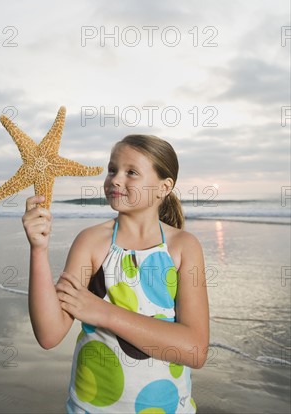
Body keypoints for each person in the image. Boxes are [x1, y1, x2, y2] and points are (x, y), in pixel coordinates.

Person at [22, 134, 209, 413]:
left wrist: (105, 313)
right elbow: (49, 335)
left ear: (163, 187)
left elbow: (194, 350)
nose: (115, 180)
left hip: (169, 407)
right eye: (112, 170)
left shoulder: (183, 247)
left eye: (131, 172)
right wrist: (38, 250)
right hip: (91, 406)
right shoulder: (91, 243)